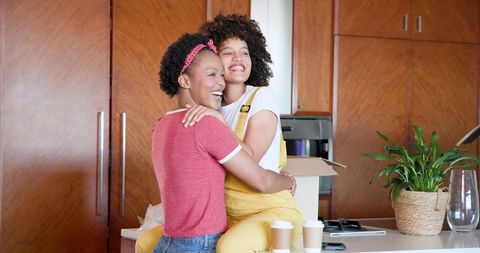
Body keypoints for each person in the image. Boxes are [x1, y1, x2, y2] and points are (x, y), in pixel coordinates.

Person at [149, 33, 296, 253]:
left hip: (169, 243)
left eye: (220, 74)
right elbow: (262, 181)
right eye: (211, 74)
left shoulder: (162, 124)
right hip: (201, 243)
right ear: (185, 80)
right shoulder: (207, 123)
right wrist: (288, 182)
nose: (220, 81)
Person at [182, 14, 304, 253]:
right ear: (213, 60)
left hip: (271, 212)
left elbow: (248, 159)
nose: (238, 59)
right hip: (225, 215)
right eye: (228, 52)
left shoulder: (262, 97)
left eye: (245, 52)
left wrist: (216, 120)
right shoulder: (210, 108)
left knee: (230, 248)